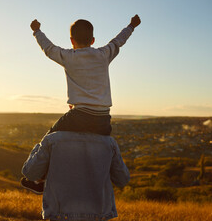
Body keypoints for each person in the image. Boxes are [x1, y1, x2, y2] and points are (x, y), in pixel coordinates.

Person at [21, 15, 141, 193]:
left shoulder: (68, 56)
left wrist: (37, 31)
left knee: (49, 138)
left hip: (78, 116)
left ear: (71, 41)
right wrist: (131, 26)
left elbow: (48, 48)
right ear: (93, 40)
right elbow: (118, 41)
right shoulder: (103, 54)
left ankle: (39, 180)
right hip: (103, 120)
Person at [22, 131, 130, 221]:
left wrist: (40, 145)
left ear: (71, 107)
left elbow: (30, 173)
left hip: (60, 215)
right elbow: (122, 180)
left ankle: (42, 182)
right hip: (98, 215)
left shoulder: (53, 139)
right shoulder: (109, 143)